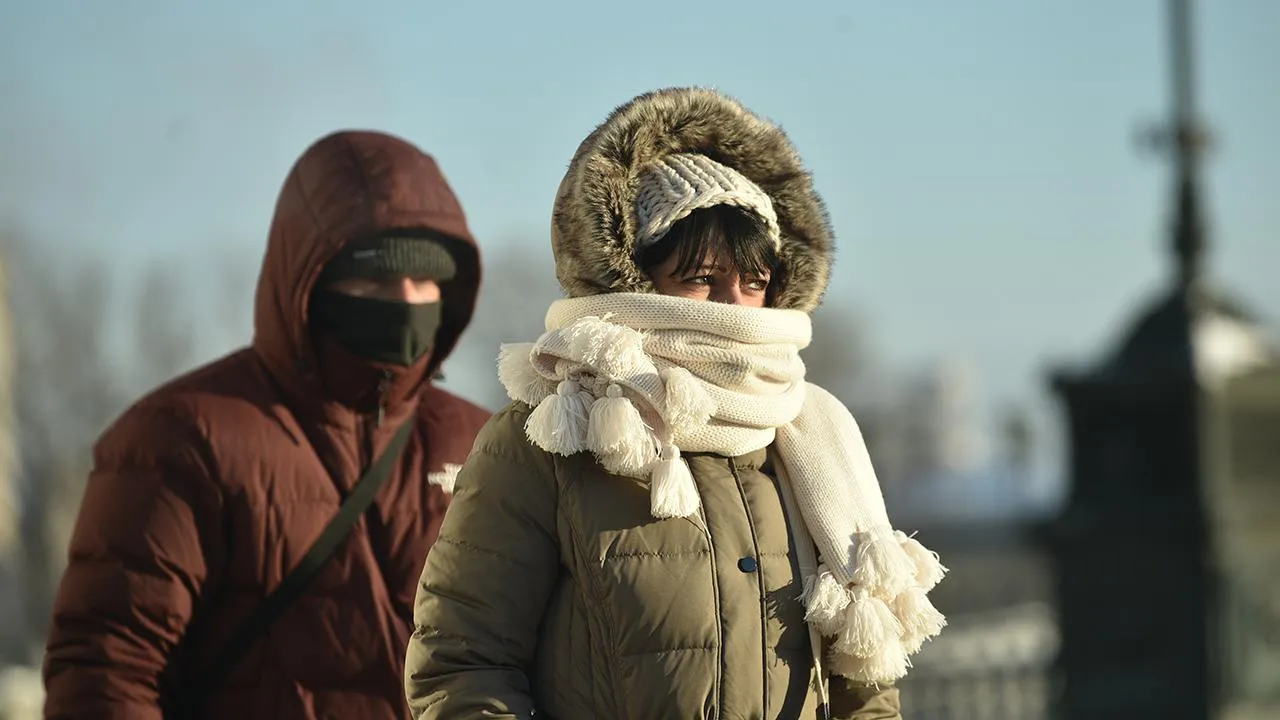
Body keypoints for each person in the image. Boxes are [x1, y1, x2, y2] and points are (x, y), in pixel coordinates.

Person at [404, 88, 946, 720]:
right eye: (699, 278)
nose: (733, 310)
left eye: (753, 282)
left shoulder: (809, 438)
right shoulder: (549, 437)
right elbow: (463, 667)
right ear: (634, 279)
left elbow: (865, 688)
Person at [43, 130, 491, 719]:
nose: (406, 300)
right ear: (311, 279)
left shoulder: (484, 443)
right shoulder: (179, 439)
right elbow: (108, 674)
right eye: (377, 279)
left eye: (426, 279)